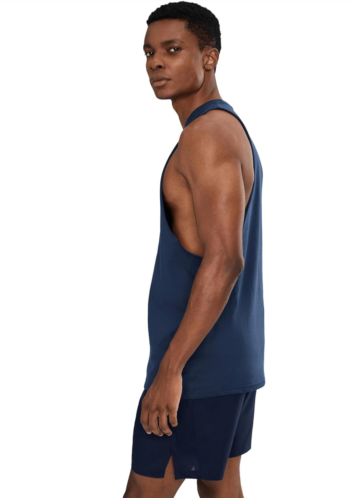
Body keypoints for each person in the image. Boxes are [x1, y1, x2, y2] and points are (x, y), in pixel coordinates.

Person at [124, 2, 265, 497]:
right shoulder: (222, 129)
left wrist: (170, 370)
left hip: (196, 369)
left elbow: (225, 260)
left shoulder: (207, 138)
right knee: (220, 490)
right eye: (149, 52)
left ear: (209, 57)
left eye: (172, 49)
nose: (156, 63)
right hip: (227, 362)